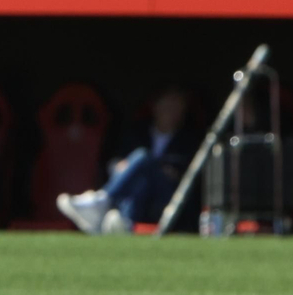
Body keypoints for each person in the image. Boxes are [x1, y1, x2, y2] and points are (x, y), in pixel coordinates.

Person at [59, 89, 197, 233]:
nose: (170, 111)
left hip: (167, 200)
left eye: (176, 105)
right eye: (167, 105)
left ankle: (102, 200)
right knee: (140, 180)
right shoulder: (137, 132)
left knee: (143, 157)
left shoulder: (189, 140)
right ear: (155, 106)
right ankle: (125, 221)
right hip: (137, 194)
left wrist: (148, 167)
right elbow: (117, 162)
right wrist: (121, 166)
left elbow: (180, 174)